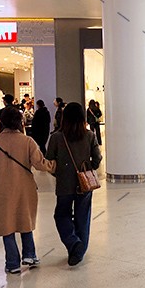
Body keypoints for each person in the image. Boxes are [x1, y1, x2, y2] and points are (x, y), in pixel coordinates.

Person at [0, 108, 54, 274]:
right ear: (20, 122)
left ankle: (12, 263)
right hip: (24, 188)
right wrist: (54, 166)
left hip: (0, 190)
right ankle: (29, 255)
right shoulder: (27, 141)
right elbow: (39, 163)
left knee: (6, 225)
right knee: (25, 220)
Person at [46, 102, 102, 266]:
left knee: (61, 215)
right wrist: (88, 168)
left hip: (64, 184)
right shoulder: (89, 135)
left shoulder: (56, 137)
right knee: (82, 217)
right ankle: (79, 251)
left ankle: (73, 243)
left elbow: (50, 161)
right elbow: (97, 158)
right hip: (85, 183)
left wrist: (59, 173)